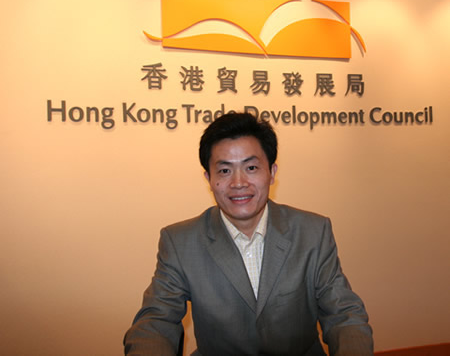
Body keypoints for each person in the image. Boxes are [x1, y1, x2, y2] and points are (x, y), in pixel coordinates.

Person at [124, 112, 373, 356]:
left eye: (251, 167)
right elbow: (156, 322)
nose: (238, 183)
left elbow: (344, 315)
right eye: (224, 171)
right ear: (208, 178)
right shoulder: (180, 242)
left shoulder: (313, 231)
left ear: (272, 173)